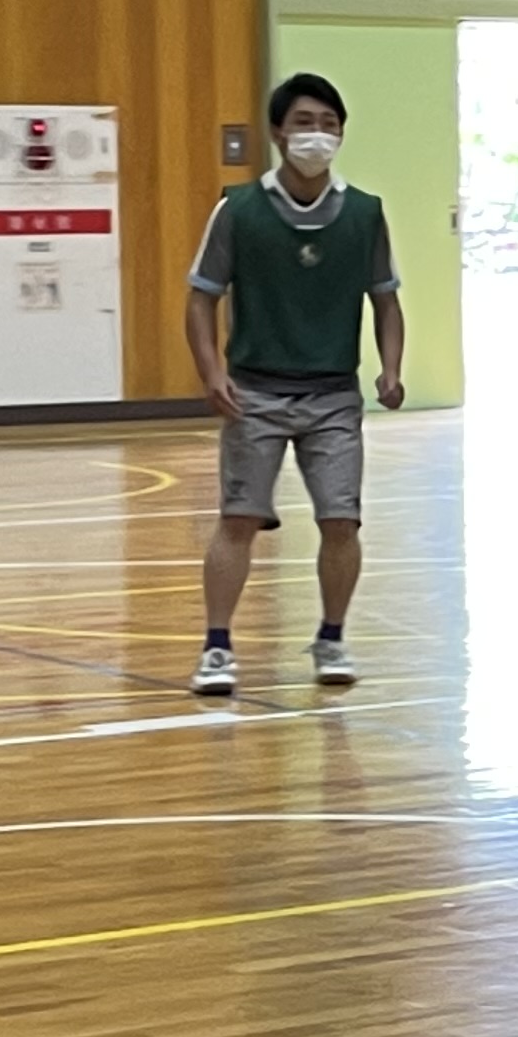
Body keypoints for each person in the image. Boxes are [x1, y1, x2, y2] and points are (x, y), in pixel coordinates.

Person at [185, 72, 406, 697]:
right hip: (254, 391)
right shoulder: (238, 210)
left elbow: (386, 300)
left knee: (341, 522)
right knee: (238, 519)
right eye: (304, 122)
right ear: (278, 132)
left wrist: (391, 368)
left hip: (333, 394)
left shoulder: (364, 213)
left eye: (329, 124)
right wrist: (212, 372)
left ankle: (332, 637)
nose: (317, 135)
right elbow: (201, 297)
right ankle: (217, 647)